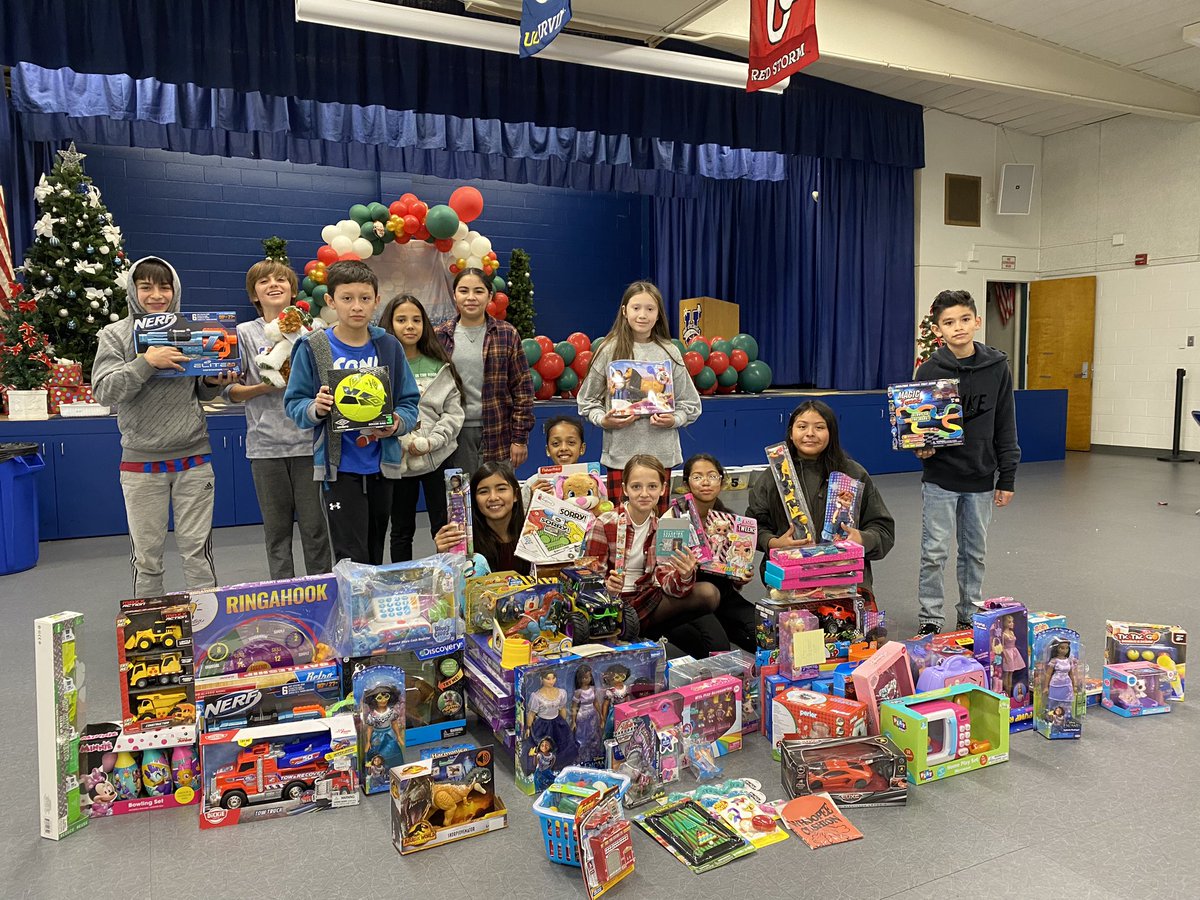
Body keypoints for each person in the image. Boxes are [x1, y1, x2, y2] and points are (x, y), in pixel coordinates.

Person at [92, 257, 237, 597]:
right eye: (146, 287)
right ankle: (150, 632)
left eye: (164, 286)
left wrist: (214, 381)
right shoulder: (115, 335)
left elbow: (198, 389)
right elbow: (104, 392)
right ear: (133, 290)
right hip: (141, 463)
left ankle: (205, 632)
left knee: (197, 555)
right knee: (147, 559)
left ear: (175, 290)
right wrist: (145, 363)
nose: (156, 295)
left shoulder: (190, 328)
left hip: (194, 459)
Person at [283, 260, 420, 565]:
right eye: (347, 298)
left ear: (376, 301)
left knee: (374, 552)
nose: (356, 306)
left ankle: (369, 612)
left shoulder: (389, 346)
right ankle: (353, 612)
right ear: (330, 301)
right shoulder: (313, 347)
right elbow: (294, 405)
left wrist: (397, 424)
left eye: (364, 298)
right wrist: (315, 408)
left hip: (382, 467)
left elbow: (409, 403)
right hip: (339, 469)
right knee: (349, 557)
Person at [914, 289, 1020, 635]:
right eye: (948, 322)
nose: (957, 327)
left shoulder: (997, 367)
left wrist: (1007, 477)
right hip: (940, 478)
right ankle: (930, 617)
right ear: (938, 330)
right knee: (934, 553)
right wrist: (922, 448)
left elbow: (1005, 423)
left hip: (981, 478)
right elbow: (917, 429)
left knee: (974, 553)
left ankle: (969, 614)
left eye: (963, 319)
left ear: (976, 321)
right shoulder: (929, 369)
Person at [226, 258, 331, 579]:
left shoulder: (313, 332)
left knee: (316, 530)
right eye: (264, 281)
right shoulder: (243, 333)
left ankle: (322, 591)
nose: (273, 284)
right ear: (254, 295)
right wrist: (267, 385)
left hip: (308, 444)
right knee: (277, 533)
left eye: (281, 280)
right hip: (266, 449)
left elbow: (327, 379)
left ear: (292, 289)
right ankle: (283, 596)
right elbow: (229, 391)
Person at [583, 454, 723, 658]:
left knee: (709, 594)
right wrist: (607, 586)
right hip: (614, 605)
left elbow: (666, 583)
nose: (644, 494)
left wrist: (684, 574)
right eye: (636, 487)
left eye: (652, 487)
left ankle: (647, 634)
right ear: (624, 489)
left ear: (663, 489)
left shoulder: (664, 528)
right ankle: (634, 635)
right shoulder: (605, 523)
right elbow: (588, 578)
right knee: (684, 641)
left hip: (647, 600)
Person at [746, 401, 895, 592]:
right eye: (802, 427)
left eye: (819, 427)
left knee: (845, 620)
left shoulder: (853, 474)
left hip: (845, 576)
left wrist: (863, 539)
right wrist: (773, 543)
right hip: (790, 576)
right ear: (791, 433)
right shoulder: (774, 476)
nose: (810, 433)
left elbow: (883, 529)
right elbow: (754, 526)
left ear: (831, 434)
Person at [577, 281, 701, 510]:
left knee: (657, 531)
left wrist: (675, 419)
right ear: (624, 311)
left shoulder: (669, 351)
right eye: (636, 308)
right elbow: (586, 401)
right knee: (620, 528)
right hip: (620, 457)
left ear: (658, 314)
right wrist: (603, 419)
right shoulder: (608, 349)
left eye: (650, 309)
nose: (642, 315)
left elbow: (691, 404)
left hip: (660, 456)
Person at [381, 294, 465, 562]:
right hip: (399, 459)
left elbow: (453, 413)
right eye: (401, 320)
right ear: (389, 324)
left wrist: (432, 442)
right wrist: (404, 441)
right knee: (401, 529)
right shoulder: (381, 367)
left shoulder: (440, 365)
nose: (409, 326)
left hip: (439, 457)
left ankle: (449, 579)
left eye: (416, 320)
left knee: (445, 525)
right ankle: (402, 583)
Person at [434, 268, 534, 474]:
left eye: (478, 291)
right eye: (463, 291)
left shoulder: (507, 334)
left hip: (498, 432)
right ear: (454, 295)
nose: (471, 297)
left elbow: (522, 390)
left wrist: (520, 439)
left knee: (498, 496)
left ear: (489, 296)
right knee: (461, 499)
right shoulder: (440, 336)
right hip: (454, 433)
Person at [676, 453, 758, 652]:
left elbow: (736, 571)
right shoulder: (676, 518)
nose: (706, 482)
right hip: (691, 597)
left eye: (712, 476)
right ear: (686, 484)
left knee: (762, 631)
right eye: (697, 477)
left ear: (721, 482)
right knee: (716, 645)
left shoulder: (731, 521)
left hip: (725, 594)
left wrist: (741, 576)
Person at [434, 461, 531, 576]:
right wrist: (444, 556)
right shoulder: (464, 540)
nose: (493, 497)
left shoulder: (531, 532)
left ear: (515, 495)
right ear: (474, 499)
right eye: (483, 492)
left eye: (501, 489)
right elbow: (450, 583)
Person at [523, 415, 589, 506]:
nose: (563, 448)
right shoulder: (535, 482)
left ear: (582, 448)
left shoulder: (592, 480)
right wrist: (533, 500)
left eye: (571, 443)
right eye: (556, 444)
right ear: (548, 450)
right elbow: (521, 516)